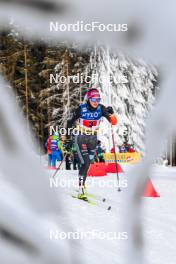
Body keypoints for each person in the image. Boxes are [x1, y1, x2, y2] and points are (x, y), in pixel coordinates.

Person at [65, 88, 117, 200]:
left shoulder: (101, 108)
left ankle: (82, 183)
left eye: (98, 99)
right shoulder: (81, 109)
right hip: (81, 137)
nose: (96, 101)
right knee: (85, 162)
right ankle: (81, 188)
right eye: (93, 99)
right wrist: (68, 139)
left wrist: (111, 114)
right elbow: (69, 122)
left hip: (93, 139)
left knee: (88, 164)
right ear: (89, 99)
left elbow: (114, 122)